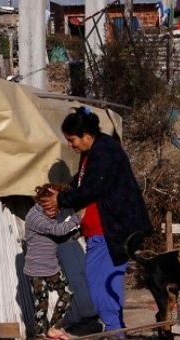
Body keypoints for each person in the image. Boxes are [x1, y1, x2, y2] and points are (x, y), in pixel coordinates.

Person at [41, 106, 152, 334]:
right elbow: (84, 182)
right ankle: (115, 331)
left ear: (86, 135)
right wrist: (63, 190)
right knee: (105, 286)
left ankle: (115, 333)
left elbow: (92, 187)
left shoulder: (105, 152)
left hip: (111, 232)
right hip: (102, 232)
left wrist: (61, 199)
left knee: (101, 289)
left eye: (72, 140)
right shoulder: (92, 152)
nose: (70, 145)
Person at [24, 183, 83, 339]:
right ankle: (40, 335)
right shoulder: (35, 217)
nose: (54, 212)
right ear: (41, 201)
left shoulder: (47, 216)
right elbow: (58, 230)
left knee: (67, 293)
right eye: (50, 208)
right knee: (41, 304)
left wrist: (75, 232)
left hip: (51, 267)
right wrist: (79, 217)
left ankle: (55, 327)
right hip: (36, 269)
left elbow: (58, 235)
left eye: (56, 208)